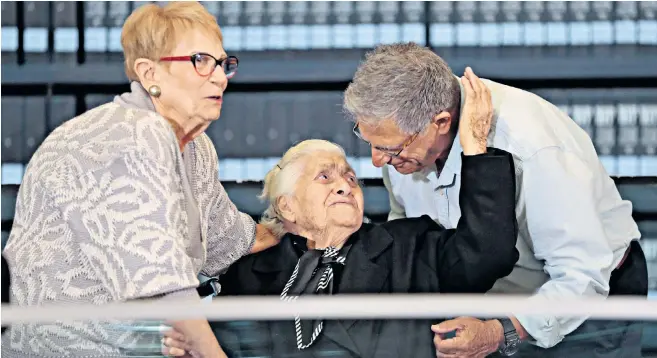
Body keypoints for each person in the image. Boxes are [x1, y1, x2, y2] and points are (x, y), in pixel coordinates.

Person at [162, 73, 520, 357]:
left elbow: (488, 254)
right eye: (325, 177)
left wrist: (475, 147)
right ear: (288, 206)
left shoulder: (411, 246)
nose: (345, 185)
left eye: (350, 177)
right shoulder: (248, 275)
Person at [1, 2, 278, 357]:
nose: (220, 76)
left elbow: (227, 239)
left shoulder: (196, 147)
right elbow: (163, 280)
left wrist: (296, 219)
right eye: (201, 61)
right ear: (150, 74)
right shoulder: (127, 133)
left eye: (224, 64)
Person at [342, 42, 648, 357]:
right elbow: (409, 233)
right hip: (486, 307)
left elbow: (582, 274)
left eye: (390, 149)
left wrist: (500, 330)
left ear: (441, 123)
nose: (377, 161)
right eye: (369, 141)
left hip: (585, 303)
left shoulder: (532, 147)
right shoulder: (401, 141)